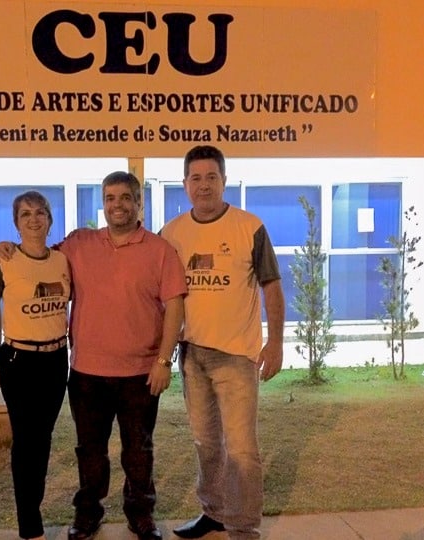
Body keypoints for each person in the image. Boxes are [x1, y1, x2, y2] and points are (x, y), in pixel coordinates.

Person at [0, 172, 186, 540]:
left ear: (139, 203)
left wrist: (165, 361)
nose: (118, 205)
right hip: (87, 373)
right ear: (103, 203)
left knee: (139, 450)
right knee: (90, 451)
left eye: (125, 197)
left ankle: (140, 513)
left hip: (141, 373)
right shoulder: (79, 243)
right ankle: (87, 513)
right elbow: (36, 254)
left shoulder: (160, 250)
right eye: (110, 198)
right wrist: (3, 247)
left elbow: (175, 306)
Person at [160, 145, 285, 540]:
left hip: (237, 356)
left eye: (211, 177)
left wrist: (276, 343)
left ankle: (243, 528)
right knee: (206, 443)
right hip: (192, 355)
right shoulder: (171, 233)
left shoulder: (249, 227)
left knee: (242, 448)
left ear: (224, 181)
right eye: (196, 178)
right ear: (185, 184)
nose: (204, 185)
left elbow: (272, 287)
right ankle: (213, 513)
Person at [0, 190, 71, 540]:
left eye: (40, 212)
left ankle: (34, 509)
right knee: (26, 441)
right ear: (16, 223)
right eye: (25, 214)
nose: (34, 219)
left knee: (43, 439)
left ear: (49, 219)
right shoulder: (4, 261)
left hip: (56, 360)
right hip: (19, 361)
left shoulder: (62, 261)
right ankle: (29, 524)